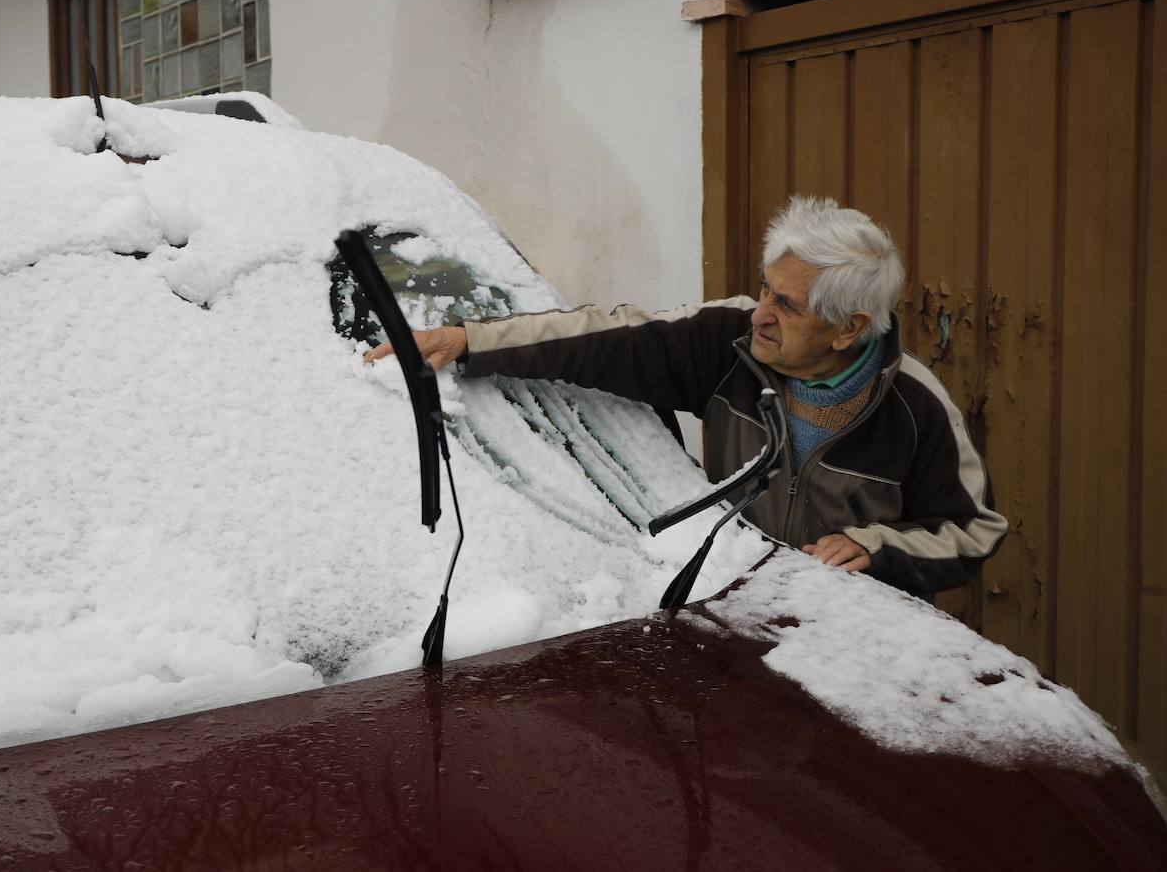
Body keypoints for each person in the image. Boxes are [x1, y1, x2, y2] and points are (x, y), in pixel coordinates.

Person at [365, 196, 1007, 600]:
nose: (760, 315)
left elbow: (973, 531)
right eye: (765, 290)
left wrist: (881, 548)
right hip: (730, 610)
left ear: (848, 329)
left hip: (851, 643)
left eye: (787, 305)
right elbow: (601, 338)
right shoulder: (723, 344)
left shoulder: (916, 408)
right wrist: (471, 340)